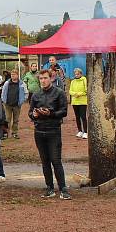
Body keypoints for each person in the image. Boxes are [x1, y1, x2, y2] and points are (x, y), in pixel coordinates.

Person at [28, 69, 71, 200]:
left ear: (51, 78)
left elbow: (64, 111)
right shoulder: (36, 95)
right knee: (44, 161)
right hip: (39, 131)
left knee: (56, 160)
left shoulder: (59, 93)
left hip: (53, 130)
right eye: (40, 79)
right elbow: (30, 113)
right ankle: (49, 188)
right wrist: (34, 115)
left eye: (45, 78)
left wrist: (50, 113)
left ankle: (63, 188)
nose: (43, 81)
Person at [1, 69, 27, 139]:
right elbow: (3, 92)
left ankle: (14, 133)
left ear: (17, 75)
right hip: (7, 105)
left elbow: (26, 93)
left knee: (16, 120)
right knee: (7, 119)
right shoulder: (7, 83)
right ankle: (5, 133)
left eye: (14, 74)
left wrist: (22, 101)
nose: (13, 76)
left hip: (17, 105)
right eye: (12, 74)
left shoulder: (22, 84)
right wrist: (3, 100)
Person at [69, 68, 88, 138]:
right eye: (75, 74)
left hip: (83, 101)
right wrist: (75, 94)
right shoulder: (73, 81)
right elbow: (70, 91)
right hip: (74, 102)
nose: (76, 75)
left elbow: (86, 90)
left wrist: (79, 94)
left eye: (78, 74)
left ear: (81, 74)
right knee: (77, 117)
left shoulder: (84, 80)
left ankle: (85, 132)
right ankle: (80, 131)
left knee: (83, 117)